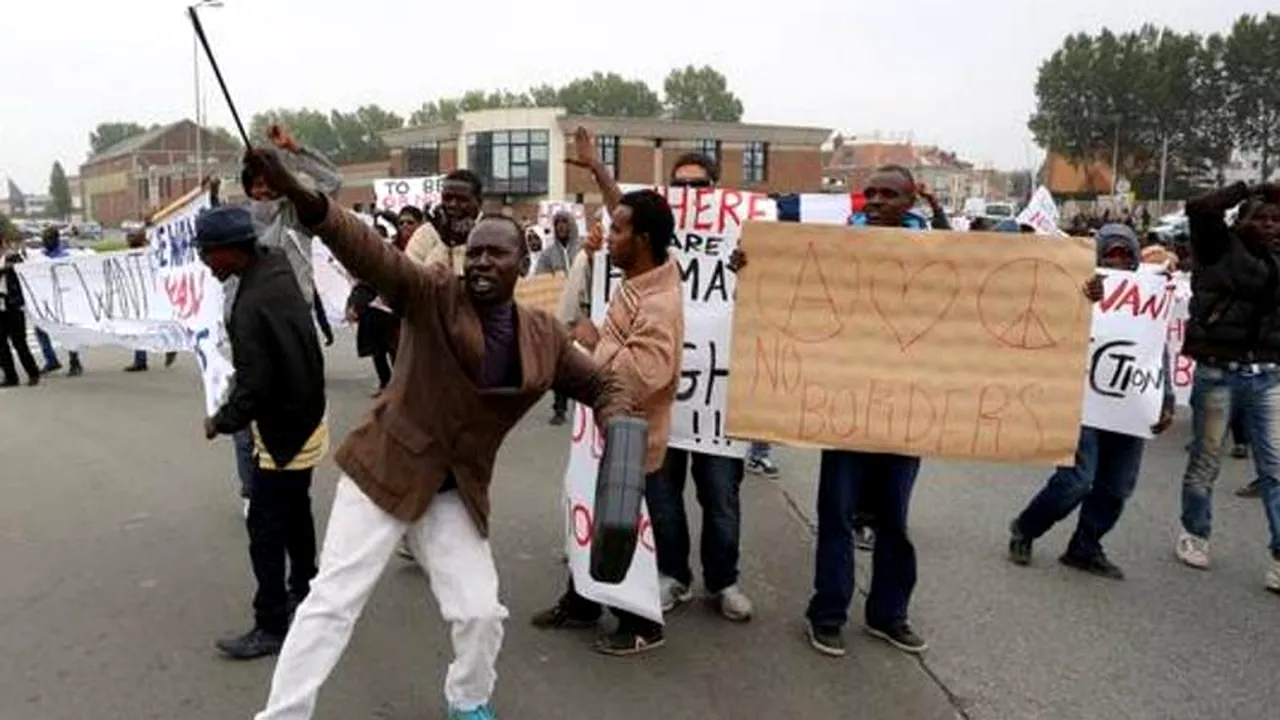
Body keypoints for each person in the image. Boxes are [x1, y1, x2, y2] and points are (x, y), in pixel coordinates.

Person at [241, 147, 633, 720]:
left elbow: (604, 386)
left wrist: (618, 422)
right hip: (384, 471)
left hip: (453, 491)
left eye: (495, 254)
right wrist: (298, 193)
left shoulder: (544, 336)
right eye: (473, 253)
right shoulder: (430, 294)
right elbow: (363, 246)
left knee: (480, 612)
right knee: (332, 602)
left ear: (521, 264)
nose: (479, 263)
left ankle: (469, 701)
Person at [734, 165, 931, 657]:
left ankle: (889, 614)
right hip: (845, 409)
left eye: (891, 194)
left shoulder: (942, 253)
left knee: (895, 521)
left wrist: (1080, 295)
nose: (879, 201)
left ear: (912, 201)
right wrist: (752, 269)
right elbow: (791, 296)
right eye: (872, 193)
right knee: (836, 514)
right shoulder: (833, 247)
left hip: (907, 411)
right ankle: (828, 613)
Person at [532, 188, 685, 655]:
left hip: (632, 439)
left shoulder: (658, 305)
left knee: (623, 531)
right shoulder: (641, 277)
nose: (608, 236)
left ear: (641, 239)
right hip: (605, 432)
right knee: (587, 514)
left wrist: (592, 341)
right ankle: (582, 603)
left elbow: (642, 376)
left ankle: (641, 624)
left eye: (618, 230)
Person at [196, 205, 327, 661]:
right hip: (308, 415)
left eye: (206, 253)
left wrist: (222, 421)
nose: (203, 262)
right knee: (295, 512)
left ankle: (270, 622)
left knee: (265, 527)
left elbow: (254, 385)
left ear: (230, 251)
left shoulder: (251, 304)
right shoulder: (276, 268)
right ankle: (306, 589)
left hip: (282, 427)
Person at [1008, 224, 1176, 580]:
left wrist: (1167, 400)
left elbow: (1156, 350)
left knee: (1116, 488)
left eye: (1124, 255)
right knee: (1075, 482)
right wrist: (1080, 299)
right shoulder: (1077, 289)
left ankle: (1085, 547)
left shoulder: (1149, 297)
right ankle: (1026, 527)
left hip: (1131, 407)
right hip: (1085, 405)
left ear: (1134, 259)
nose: (1116, 262)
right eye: (1109, 254)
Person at [1174, 180, 1280, 594]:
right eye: (1263, 218)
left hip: (1268, 373)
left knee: (1274, 468)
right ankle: (1195, 533)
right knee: (1207, 460)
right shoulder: (1217, 245)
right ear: (1243, 220)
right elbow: (1199, 207)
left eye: (1277, 219)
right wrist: (1248, 188)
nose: (1271, 225)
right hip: (1218, 370)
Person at [233, 124, 342, 517]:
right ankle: (252, 489)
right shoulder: (237, 224)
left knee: (299, 414)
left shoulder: (297, 214)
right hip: (250, 334)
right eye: (255, 185)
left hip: (296, 334)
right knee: (248, 416)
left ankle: (294, 486)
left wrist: (293, 151)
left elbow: (334, 181)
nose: (262, 192)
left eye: (270, 184)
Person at [535, 209, 582, 425]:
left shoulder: (583, 249)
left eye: (565, 222)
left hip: (583, 312)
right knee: (560, 364)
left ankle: (586, 411)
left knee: (585, 364)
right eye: (558, 223)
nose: (561, 226)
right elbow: (539, 280)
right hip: (559, 315)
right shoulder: (548, 254)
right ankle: (559, 408)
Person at [123, 228, 178, 372]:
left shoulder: (151, 254)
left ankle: (169, 346)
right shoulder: (133, 255)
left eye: (132, 240)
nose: (129, 243)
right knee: (140, 328)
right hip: (141, 295)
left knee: (150, 326)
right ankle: (141, 359)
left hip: (153, 294)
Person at [32, 227, 84, 377]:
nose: (44, 242)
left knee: (68, 331)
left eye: (47, 239)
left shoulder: (65, 256)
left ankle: (75, 361)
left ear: (56, 240)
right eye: (43, 239)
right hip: (47, 299)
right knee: (40, 329)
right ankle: (51, 359)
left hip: (64, 298)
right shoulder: (40, 256)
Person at [0, 238, 40, 387]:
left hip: (13, 305)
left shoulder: (12, 256)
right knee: (1, 345)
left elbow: (20, 270)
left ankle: (33, 373)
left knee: (19, 342)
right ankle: (11, 377)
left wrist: (4, 268)